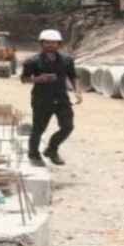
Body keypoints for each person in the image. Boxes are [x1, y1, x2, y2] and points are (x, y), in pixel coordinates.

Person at [21, 29, 81, 167]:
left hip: (62, 99)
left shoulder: (66, 60)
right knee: (38, 129)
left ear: (59, 44)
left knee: (67, 127)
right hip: (42, 99)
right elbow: (24, 79)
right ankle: (33, 154)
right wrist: (38, 79)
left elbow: (73, 76)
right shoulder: (32, 61)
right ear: (42, 44)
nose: (50, 45)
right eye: (47, 43)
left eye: (54, 43)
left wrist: (77, 91)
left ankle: (51, 149)